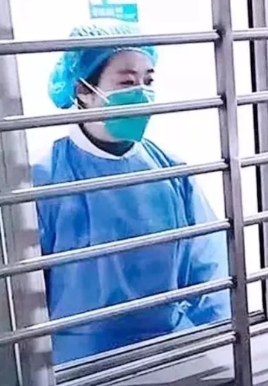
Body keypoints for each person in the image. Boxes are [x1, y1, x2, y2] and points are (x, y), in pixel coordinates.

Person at [32, 20, 230, 364]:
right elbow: (25, 296)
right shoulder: (45, 178)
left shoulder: (170, 170)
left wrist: (209, 346)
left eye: (148, 81)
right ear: (83, 90)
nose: (141, 93)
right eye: (126, 82)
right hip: (81, 363)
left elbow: (208, 268)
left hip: (172, 350)